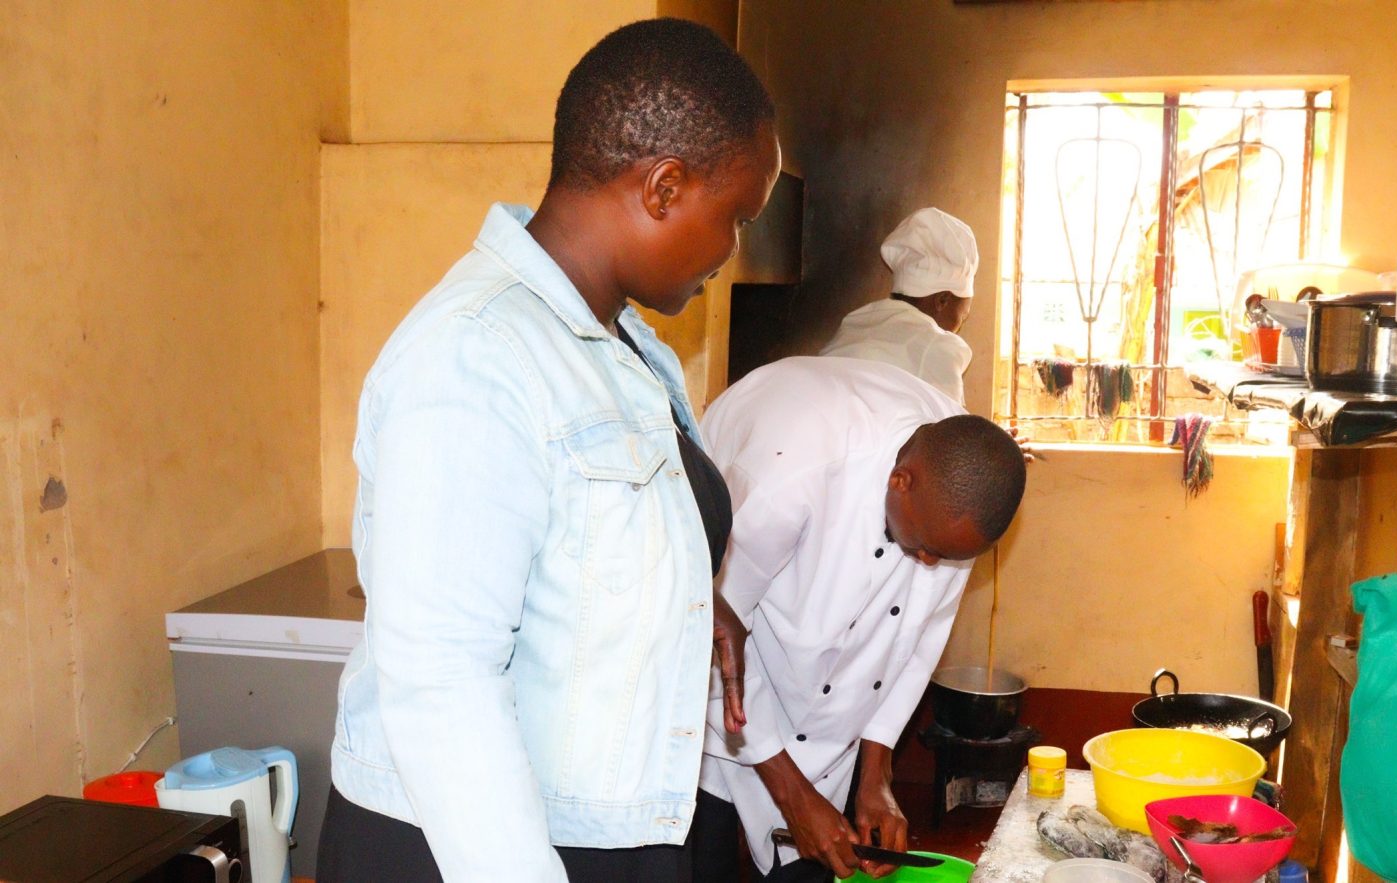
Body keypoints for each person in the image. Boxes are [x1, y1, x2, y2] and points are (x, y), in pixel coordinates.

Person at [315, 18, 779, 883]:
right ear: (665, 187)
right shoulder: (476, 357)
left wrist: (679, 598)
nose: (731, 252)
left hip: (595, 823)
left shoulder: (628, 347)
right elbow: (441, 680)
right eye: (736, 218)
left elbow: (581, 547)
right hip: (473, 842)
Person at [690, 356, 1027, 882]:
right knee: (702, 857)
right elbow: (706, 628)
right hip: (722, 686)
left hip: (829, 723)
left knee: (816, 866)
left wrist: (877, 774)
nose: (932, 564)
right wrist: (793, 795)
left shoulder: (959, 499)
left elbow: (916, 646)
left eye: (948, 555)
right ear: (900, 480)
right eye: (924, 547)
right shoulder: (789, 476)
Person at [819, 207, 980, 404]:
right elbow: (953, 432)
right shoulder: (937, 345)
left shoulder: (854, 322)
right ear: (942, 301)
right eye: (962, 316)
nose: (959, 326)